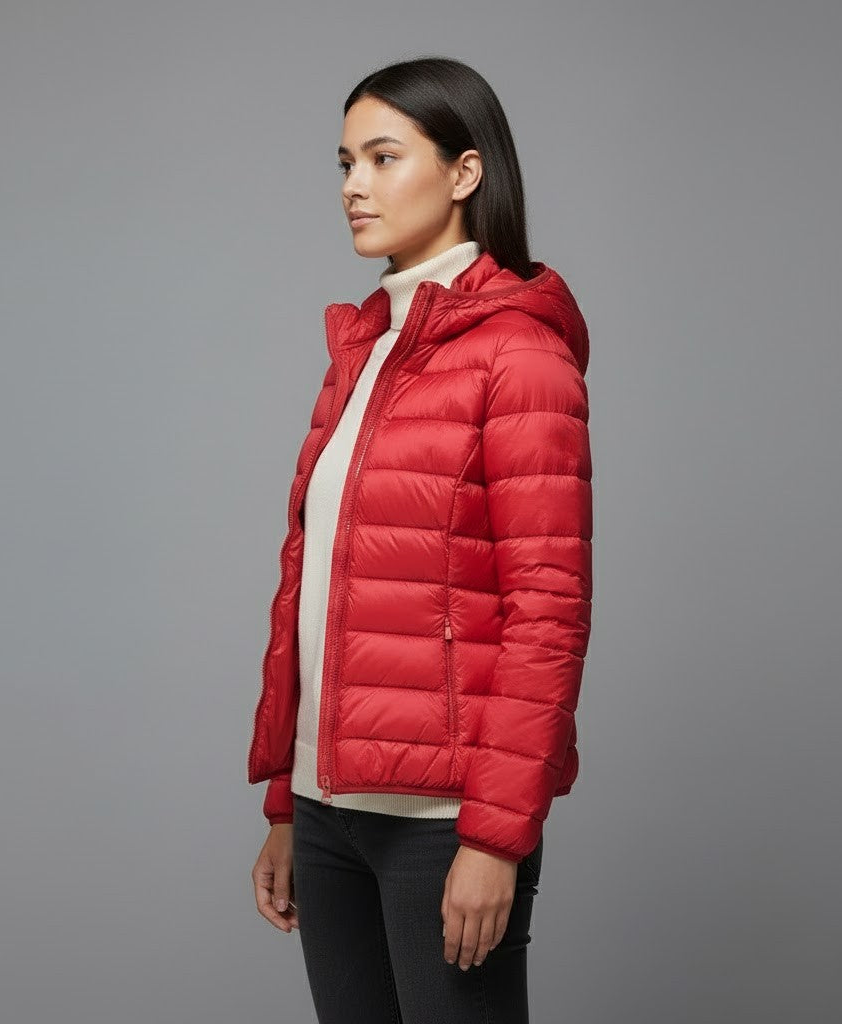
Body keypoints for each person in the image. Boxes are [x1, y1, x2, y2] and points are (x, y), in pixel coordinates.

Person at [247, 56, 591, 1024]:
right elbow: (315, 590)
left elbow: (548, 612)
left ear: (464, 172)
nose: (353, 186)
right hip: (327, 812)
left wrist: (494, 837)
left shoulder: (520, 355)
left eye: (383, 157)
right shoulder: (362, 350)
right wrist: (287, 799)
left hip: (444, 824)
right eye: (344, 162)